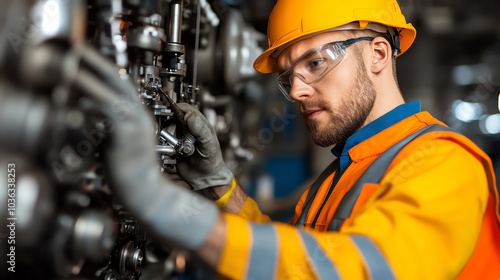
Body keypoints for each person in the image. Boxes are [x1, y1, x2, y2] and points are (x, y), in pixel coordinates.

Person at [134, 0, 500, 279]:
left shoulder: (447, 165)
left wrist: (176, 213)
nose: (295, 91)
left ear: (377, 54)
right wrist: (219, 187)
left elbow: (357, 268)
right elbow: (298, 258)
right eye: (288, 77)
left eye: (315, 63)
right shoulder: (340, 176)